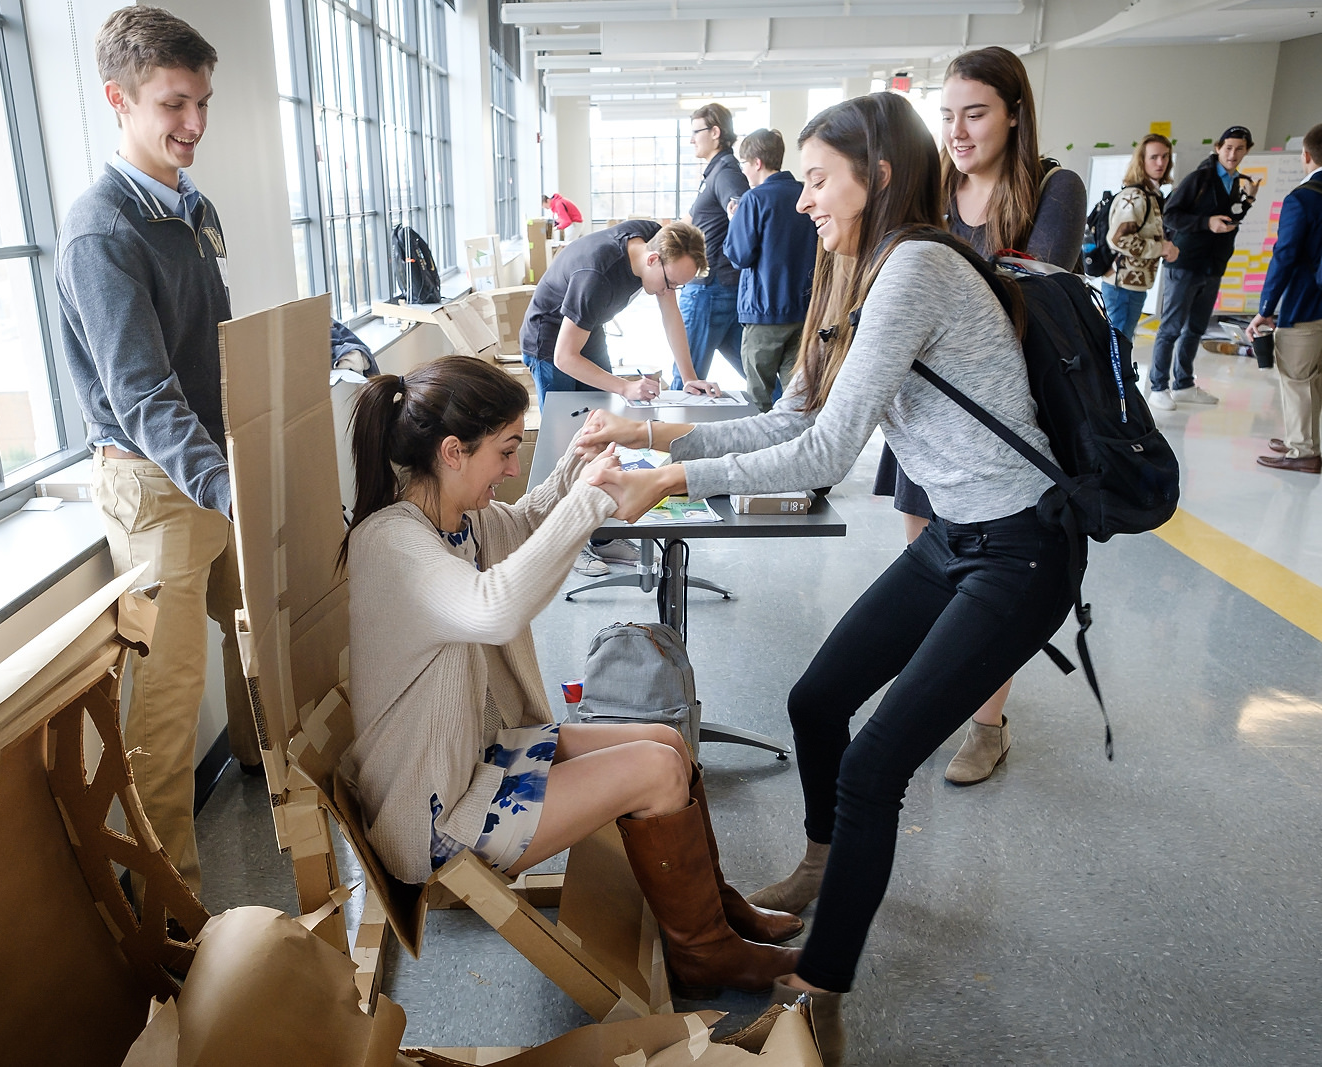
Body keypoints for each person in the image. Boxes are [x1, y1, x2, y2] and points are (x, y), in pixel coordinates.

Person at [576, 93, 1083, 1062]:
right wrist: (650, 434)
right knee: (816, 699)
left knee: (875, 762)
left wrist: (672, 476)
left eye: (817, 179)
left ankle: (818, 988)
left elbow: (821, 455)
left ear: (878, 174)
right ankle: (822, 861)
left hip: (1020, 547)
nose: (799, 198)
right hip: (954, 538)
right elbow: (787, 417)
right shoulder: (849, 269)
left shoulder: (916, 268)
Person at [337, 356, 803, 997]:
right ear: (452, 451)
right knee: (658, 771)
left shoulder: (457, 522)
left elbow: (524, 525)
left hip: (482, 760)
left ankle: (715, 918)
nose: (509, 468)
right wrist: (588, 500)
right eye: (504, 453)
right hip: (437, 819)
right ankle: (704, 954)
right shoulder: (393, 543)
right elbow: (494, 608)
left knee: (669, 744)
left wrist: (574, 467)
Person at [55, 7, 262, 894]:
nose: (194, 124)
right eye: (175, 103)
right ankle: (173, 906)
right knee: (168, 709)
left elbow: (210, 341)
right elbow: (142, 392)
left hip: (216, 467)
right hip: (157, 482)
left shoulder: (189, 205)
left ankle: (274, 785)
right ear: (120, 100)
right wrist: (226, 485)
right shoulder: (102, 232)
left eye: (203, 101)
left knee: (263, 641)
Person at [874, 44, 1087, 786]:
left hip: (1007, 424)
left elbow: (1028, 299)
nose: (958, 132)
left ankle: (987, 725)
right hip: (928, 417)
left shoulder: (1053, 190)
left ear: (1014, 114)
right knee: (933, 567)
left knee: (988, 583)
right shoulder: (934, 192)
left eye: (976, 114)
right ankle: (937, 700)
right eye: (947, 117)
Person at [518, 218, 718, 576]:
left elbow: (670, 311)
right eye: (672, 282)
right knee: (567, 447)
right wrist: (624, 386)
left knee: (603, 438)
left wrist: (688, 377)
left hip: (588, 334)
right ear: (654, 260)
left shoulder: (656, 239)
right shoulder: (596, 275)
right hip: (550, 345)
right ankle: (567, 543)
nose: (670, 290)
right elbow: (565, 357)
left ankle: (600, 536)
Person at [1150, 125, 1260, 411]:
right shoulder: (1200, 178)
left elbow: (1230, 217)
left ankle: (1183, 383)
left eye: (1239, 149)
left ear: (1246, 151)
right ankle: (1158, 386)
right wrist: (1205, 223)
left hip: (1213, 266)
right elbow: (1170, 215)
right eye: (1228, 148)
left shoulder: (1237, 183)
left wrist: (1248, 199)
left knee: (1196, 328)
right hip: (1186, 263)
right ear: (1218, 148)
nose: (1233, 154)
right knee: (1171, 327)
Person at [724, 128, 819, 413]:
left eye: (743, 164)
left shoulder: (754, 200)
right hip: (805, 311)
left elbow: (739, 255)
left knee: (758, 400)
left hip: (763, 312)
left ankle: (760, 454)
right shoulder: (806, 193)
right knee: (796, 397)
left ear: (756, 162)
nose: (743, 172)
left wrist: (735, 220)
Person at [1246, 123, 1322, 474]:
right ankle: (1302, 437)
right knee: (1315, 378)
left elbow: (1285, 255)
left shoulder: (1303, 198)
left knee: (1298, 377)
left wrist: (1265, 309)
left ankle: (1303, 451)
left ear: (1306, 156)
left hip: (1307, 303)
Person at [672, 102, 751, 389]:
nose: (692, 139)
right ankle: (790, 420)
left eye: (696, 132)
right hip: (719, 288)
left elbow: (743, 212)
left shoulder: (726, 174)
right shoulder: (714, 174)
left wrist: (734, 257)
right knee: (756, 378)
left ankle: (673, 435)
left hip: (709, 289)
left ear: (715, 132)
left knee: (686, 380)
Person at [1101, 134, 1179, 343]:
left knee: (1122, 344)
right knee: (1116, 347)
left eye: (1165, 157)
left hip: (1134, 284)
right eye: (1154, 157)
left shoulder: (1153, 195)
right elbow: (1118, 239)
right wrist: (1160, 248)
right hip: (1122, 286)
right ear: (1142, 161)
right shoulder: (1135, 197)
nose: (1161, 162)